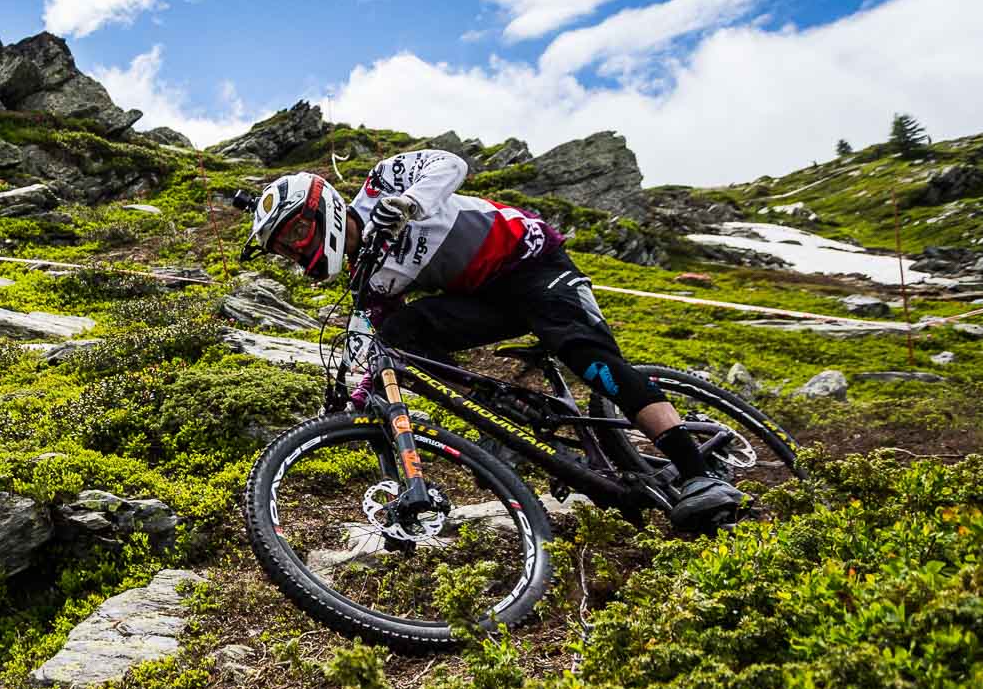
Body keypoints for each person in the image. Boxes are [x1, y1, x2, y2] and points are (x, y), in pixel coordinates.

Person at [241, 149, 743, 534]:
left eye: (297, 231)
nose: (295, 248)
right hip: (485, 299)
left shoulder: (382, 184)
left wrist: (411, 203)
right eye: (285, 247)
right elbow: (369, 336)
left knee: (586, 356)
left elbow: (450, 164)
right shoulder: (368, 279)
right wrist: (351, 388)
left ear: (324, 207)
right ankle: (499, 409)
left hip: (532, 264)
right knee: (398, 335)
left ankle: (696, 471)